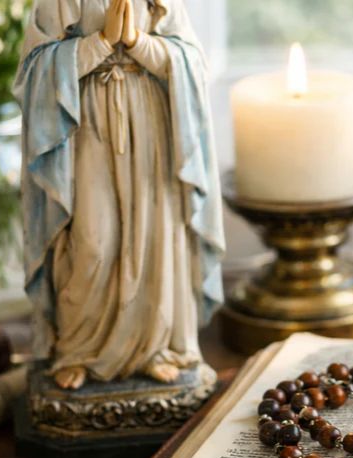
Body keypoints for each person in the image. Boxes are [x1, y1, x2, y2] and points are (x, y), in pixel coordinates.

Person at [16, 0, 224, 390]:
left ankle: (155, 349)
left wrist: (137, 42)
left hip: (151, 126)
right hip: (85, 126)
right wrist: (100, 42)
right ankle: (77, 349)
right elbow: (34, 71)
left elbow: (192, 64)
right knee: (92, 240)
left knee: (155, 239)